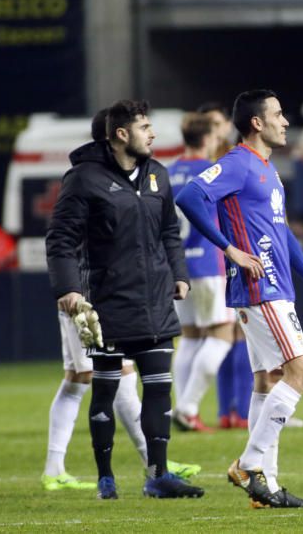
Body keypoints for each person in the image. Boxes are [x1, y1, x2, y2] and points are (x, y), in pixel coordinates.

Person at [176, 90, 303, 508]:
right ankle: (250, 466)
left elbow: (282, 234)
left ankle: (264, 487)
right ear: (256, 122)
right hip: (260, 286)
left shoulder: (266, 169)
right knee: (301, 372)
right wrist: (228, 248)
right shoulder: (237, 163)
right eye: (278, 114)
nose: (285, 121)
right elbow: (190, 197)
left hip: (278, 285)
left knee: (268, 380)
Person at [46, 100, 204, 499]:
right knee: (105, 390)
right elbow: (61, 239)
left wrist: (179, 274)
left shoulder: (158, 176)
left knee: (157, 390)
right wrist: (68, 288)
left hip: (153, 301)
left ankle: (159, 475)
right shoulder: (83, 179)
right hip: (106, 302)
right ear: (121, 134)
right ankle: (106, 478)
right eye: (145, 126)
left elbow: (170, 230)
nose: (152, 133)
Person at [169, 113, 232, 433]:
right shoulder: (211, 171)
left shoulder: (169, 171)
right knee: (222, 334)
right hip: (209, 263)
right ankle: (189, 406)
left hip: (178, 266)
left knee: (191, 337)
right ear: (207, 139)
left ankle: (181, 408)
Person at [197, 102, 253, 430]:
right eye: (214, 123)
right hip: (221, 257)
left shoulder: (228, 158)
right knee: (228, 334)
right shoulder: (221, 165)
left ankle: (236, 410)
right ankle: (230, 409)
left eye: (221, 122)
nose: (221, 128)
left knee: (235, 333)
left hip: (225, 255)